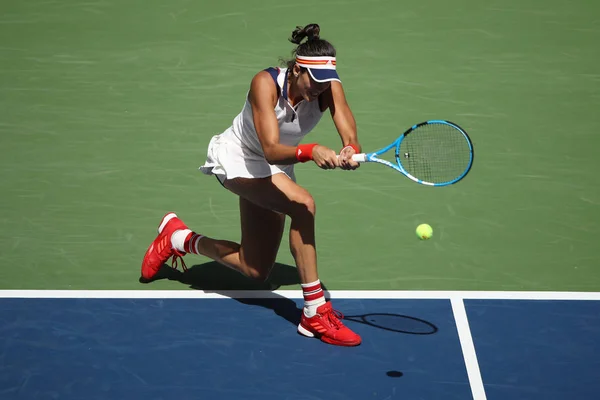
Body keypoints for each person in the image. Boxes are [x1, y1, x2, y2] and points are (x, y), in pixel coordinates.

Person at [141, 23, 362, 347]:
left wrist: (349, 149)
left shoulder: (327, 83)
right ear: (297, 69)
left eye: (325, 83)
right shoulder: (265, 83)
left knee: (255, 269)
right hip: (241, 159)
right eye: (313, 81)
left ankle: (178, 238)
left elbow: (345, 122)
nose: (320, 88)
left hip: (276, 167)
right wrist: (311, 150)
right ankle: (314, 312)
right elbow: (271, 148)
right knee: (303, 206)